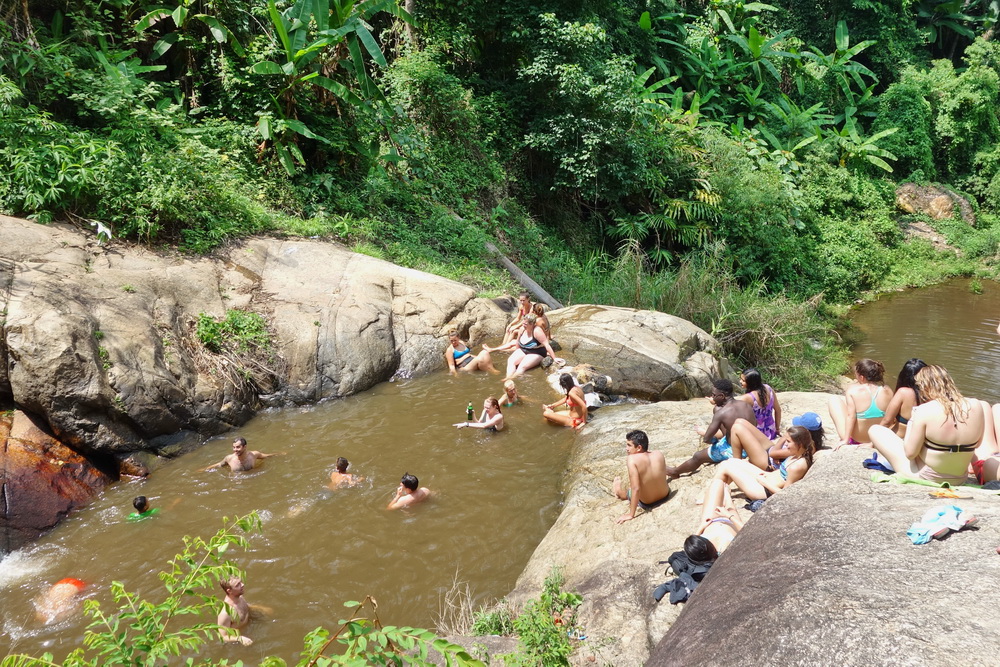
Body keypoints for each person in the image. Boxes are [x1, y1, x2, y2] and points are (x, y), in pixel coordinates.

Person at [869, 365, 983, 486]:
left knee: (875, 430)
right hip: (960, 477)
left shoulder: (924, 410)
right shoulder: (976, 405)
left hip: (928, 477)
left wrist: (913, 421)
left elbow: (910, 453)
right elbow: (978, 443)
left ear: (925, 386)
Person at [665, 379, 757, 479]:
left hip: (737, 451)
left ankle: (675, 471)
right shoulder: (746, 405)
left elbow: (706, 439)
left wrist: (714, 441)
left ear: (721, 396)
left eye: (713, 395)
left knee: (698, 456)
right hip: (752, 445)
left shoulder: (722, 413)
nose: (712, 397)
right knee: (719, 411)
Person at [709, 424, 816, 501]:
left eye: (788, 442)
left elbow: (785, 494)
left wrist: (764, 482)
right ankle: (718, 491)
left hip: (763, 490)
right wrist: (767, 475)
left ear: (799, 444)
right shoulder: (797, 454)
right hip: (766, 478)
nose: (786, 445)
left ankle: (713, 496)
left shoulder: (797, 466)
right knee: (733, 461)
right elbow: (781, 474)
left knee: (726, 466)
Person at [828, 358, 891, 448]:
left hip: (857, 439)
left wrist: (846, 440)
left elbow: (851, 416)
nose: (855, 378)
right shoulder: (887, 390)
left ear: (861, 377)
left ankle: (847, 439)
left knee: (834, 400)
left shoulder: (853, 390)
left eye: (856, 375)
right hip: (878, 440)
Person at [613, 430, 670, 523]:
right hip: (666, 495)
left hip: (648, 503)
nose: (626, 448)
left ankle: (617, 489)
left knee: (625, 492)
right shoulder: (658, 453)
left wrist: (631, 514)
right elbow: (662, 470)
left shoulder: (631, 459)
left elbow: (636, 488)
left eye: (629, 445)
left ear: (639, 447)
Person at [481, 313, 557, 380]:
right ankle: (508, 377)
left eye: (526, 324)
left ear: (532, 324)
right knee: (511, 361)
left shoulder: (537, 331)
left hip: (537, 352)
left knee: (521, 367)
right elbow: (517, 341)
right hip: (524, 350)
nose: (523, 325)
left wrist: (555, 358)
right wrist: (517, 351)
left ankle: (511, 379)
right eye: (523, 323)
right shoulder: (522, 329)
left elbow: (547, 345)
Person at [879, 358, 927, 435]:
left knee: (873, 430)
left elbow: (887, 422)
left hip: (900, 439)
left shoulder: (903, 392)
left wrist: (872, 442)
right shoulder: (932, 394)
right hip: (921, 441)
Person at [695, 483, 746, 554]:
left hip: (710, 521)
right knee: (730, 506)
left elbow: (691, 545)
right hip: (731, 521)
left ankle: (718, 498)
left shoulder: (697, 553)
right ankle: (727, 496)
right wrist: (729, 516)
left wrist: (701, 527)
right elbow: (746, 531)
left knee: (717, 483)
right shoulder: (725, 552)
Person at [736, 368, 780, 439]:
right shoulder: (769, 389)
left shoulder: (747, 398)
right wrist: (777, 428)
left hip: (756, 435)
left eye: (743, 380)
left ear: (751, 383)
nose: (740, 381)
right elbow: (778, 410)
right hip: (771, 432)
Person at [203, 437, 278, 472]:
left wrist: (280, 454)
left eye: (238, 447)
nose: (235, 450)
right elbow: (218, 465)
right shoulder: (229, 459)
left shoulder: (253, 455)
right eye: (234, 447)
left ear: (245, 447)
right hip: (236, 484)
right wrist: (202, 470)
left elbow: (266, 456)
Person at [218, 575, 254, 646]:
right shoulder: (225, 613)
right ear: (229, 591)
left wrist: (261, 608)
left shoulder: (239, 597)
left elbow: (246, 606)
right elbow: (223, 637)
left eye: (241, 582)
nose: (242, 585)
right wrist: (240, 638)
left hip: (250, 628)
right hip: (239, 641)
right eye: (238, 585)